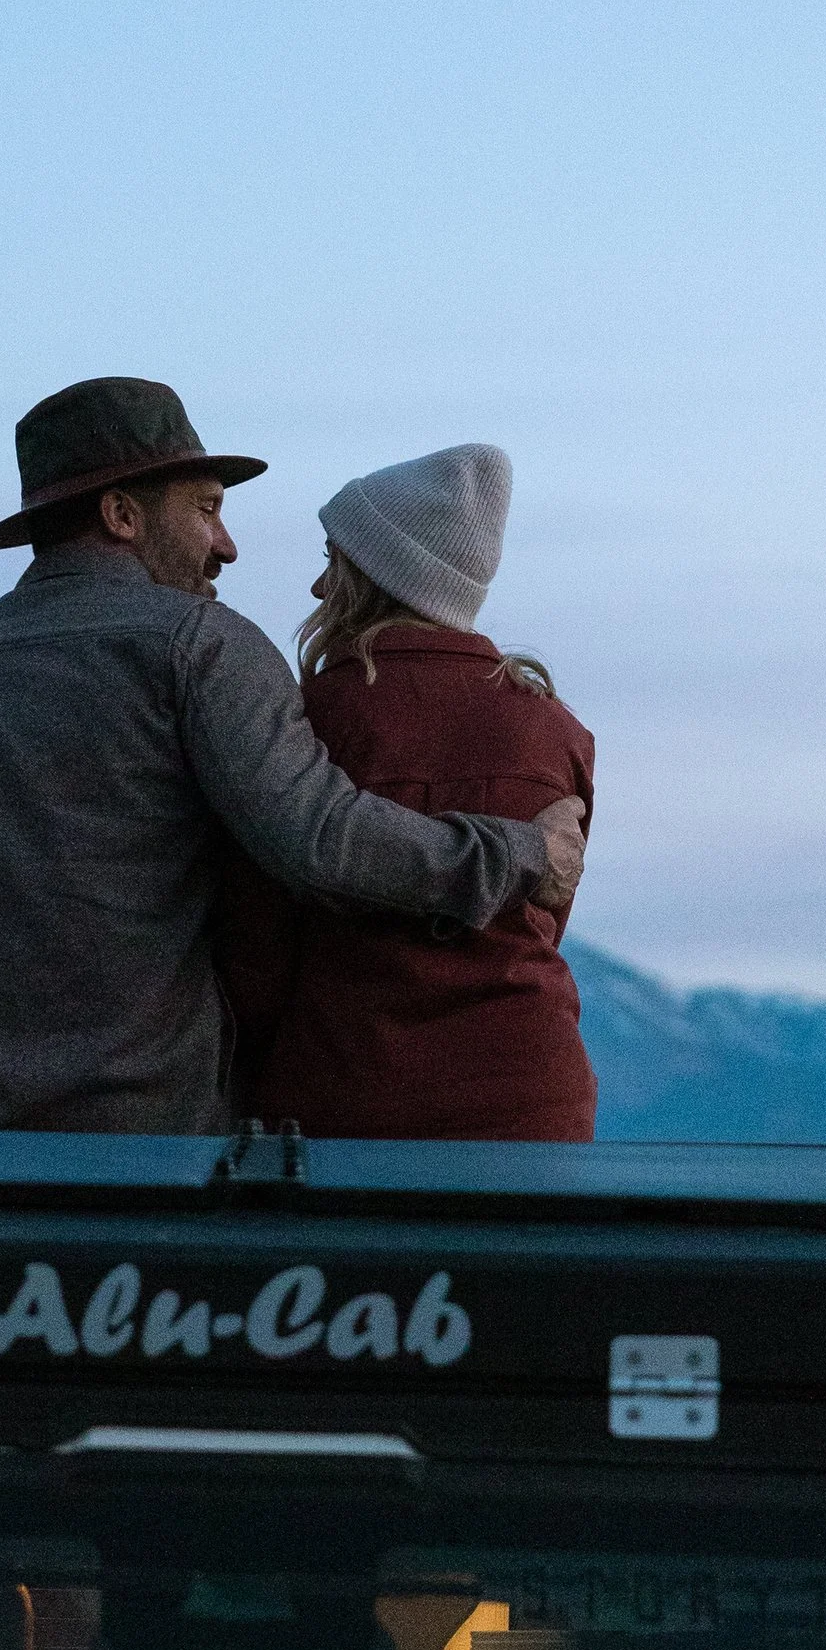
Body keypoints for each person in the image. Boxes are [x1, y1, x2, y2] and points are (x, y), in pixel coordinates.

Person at [0, 378, 585, 1132]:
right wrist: (522, 853)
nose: (226, 545)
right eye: (205, 510)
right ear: (122, 514)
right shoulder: (198, 647)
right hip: (146, 1151)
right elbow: (321, 842)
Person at [214, 444, 596, 1140]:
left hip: (351, 1092)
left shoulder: (312, 721)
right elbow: (545, 916)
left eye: (333, 562)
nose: (318, 590)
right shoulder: (555, 730)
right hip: (533, 1094)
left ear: (377, 577)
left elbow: (259, 947)